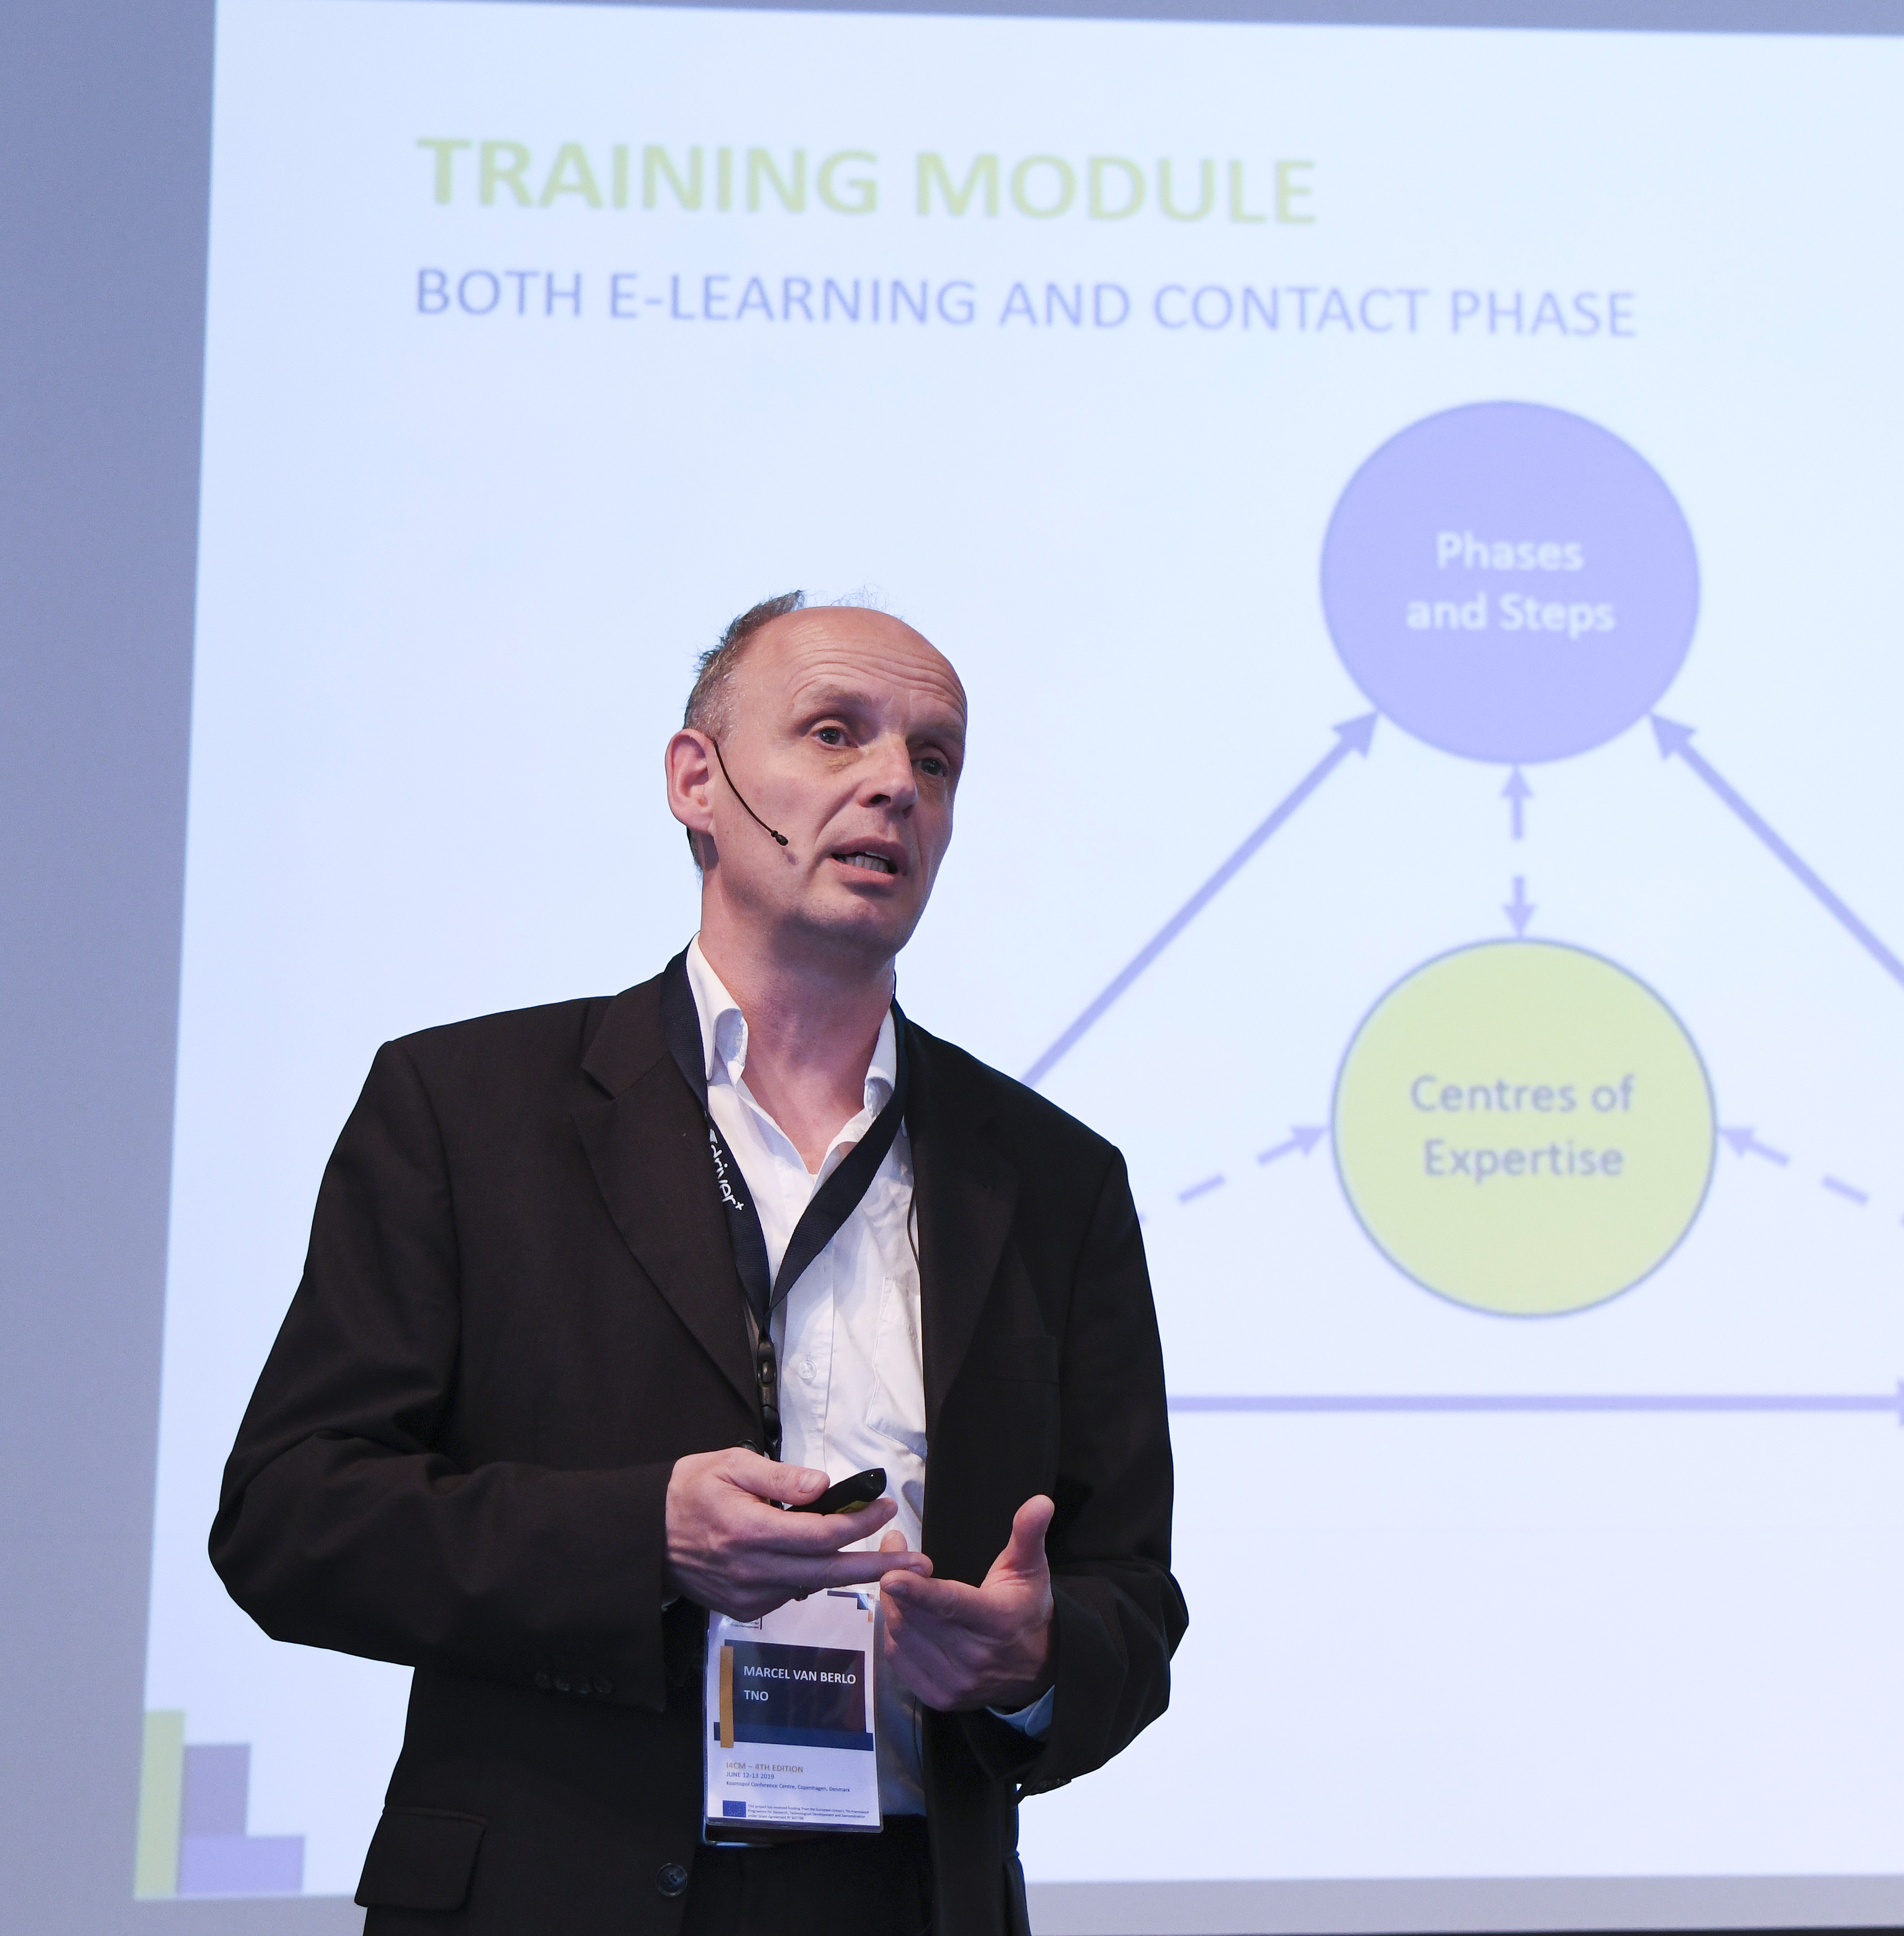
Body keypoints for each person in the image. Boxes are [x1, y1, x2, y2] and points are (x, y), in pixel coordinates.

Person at [214, 594, 1183, 1935]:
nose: (895, 785)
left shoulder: (1052, 1177)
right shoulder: (468, 1110)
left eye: (935, 758)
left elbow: (1130, 1595)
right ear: (697, 783)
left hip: (906, 1899)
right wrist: (644, 1540)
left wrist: (1033, 1660)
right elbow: (289, 1519)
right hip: (554, 1899)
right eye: (835, 733)